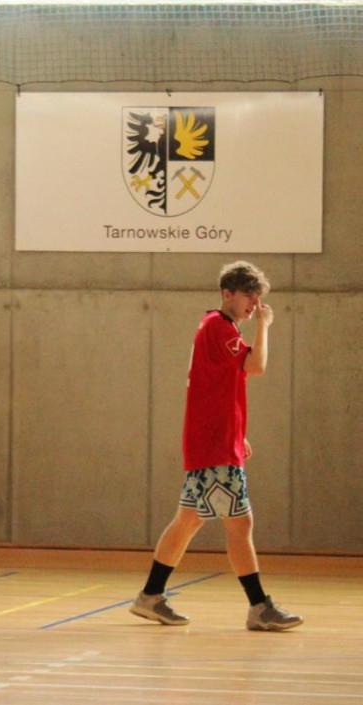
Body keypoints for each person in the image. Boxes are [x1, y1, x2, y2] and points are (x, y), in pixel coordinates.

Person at [131, 261, 303, 632]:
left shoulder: (217, 329)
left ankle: (150, 597)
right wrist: (264, 326)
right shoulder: (219, 327)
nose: (254, 303)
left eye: (257, 298)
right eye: (247, 295)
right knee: (240, 524)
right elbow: (256, 367)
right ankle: (259, 606)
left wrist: (236, 432)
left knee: (188, 521)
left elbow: (217, 388)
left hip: (213, 441)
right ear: (227, 294)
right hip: (214, 449)